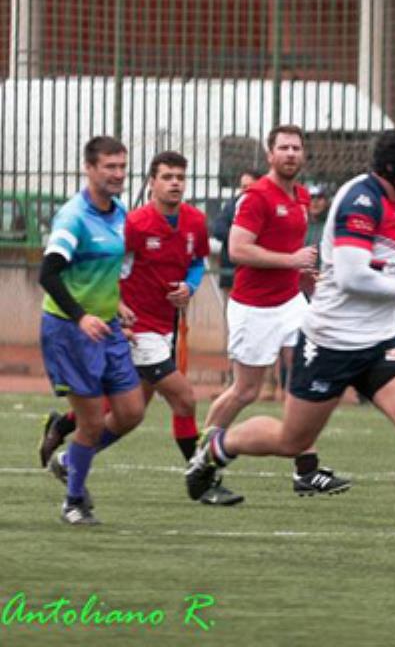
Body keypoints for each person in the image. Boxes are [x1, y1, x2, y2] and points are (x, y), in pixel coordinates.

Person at [186, 130, 395, 570]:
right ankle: (218, 446)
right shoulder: (361, 200)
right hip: (331, 341)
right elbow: (350, 276)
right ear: (393, 167)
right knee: (294, 440)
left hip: (381, 341)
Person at [38, 151, 243, 506]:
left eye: (180, 176)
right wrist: (116, 310)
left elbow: (196, 264)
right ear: (151, 182)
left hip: (167, 326)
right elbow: (109, 270)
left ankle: (68, 452)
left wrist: (190, 288)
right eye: (167, 176)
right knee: (184, 399)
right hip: (138, 328)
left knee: (128, 412)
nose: (175, 182)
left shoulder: (194, 221)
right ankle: (201, 480)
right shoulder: (133, 223)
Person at [198, 124, 347, 502]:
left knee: (306, 378)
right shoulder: (256, 197)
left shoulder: (300, 195)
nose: (291, 154)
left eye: (297, 148)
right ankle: (202, 459)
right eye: (284, 148)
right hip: (254, 308)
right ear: (270, 155)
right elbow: (238, 250)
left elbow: (288, 252)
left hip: (291, 303)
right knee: (245, 390)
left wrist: (304, 273)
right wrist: (291, 260)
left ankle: (307, 471)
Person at [37, 136, 145, 525]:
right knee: (92, 423)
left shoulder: (119, 213)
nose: (118, 174)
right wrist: (82, 316)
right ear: (90, 168)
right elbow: (48, 274)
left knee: (132, 411)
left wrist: (115, 305)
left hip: (107, 327)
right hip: (69, 331)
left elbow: (101, 271)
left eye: (122, 167)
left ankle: (69, 459)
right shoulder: (73, 217)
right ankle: (72, 502)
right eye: (109, 167)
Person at [212, 170, 263, 295]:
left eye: (251, 186)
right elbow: (218, 229)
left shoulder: (266, 206)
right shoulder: (232, 205)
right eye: (243, 187)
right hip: (231, 270)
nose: (246, 190)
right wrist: (241, 237)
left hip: (259, 271)